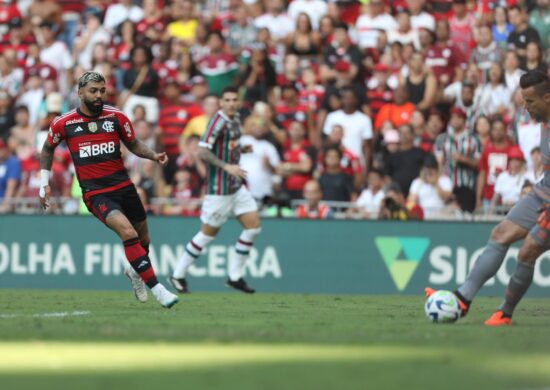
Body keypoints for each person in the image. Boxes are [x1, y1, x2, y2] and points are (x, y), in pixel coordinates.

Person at [38, 71, 178, 309]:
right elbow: (47, 149)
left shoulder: (117, 117)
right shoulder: (64, 123)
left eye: (102, 90)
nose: (99, 95)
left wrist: (153, 155)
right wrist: (44, 183)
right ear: (80, 92)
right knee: (128, 232)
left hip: (124, 186)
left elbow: (133, 144)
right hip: (96, 193)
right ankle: (159, 290)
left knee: (144, 240)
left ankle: (134, 272)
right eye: (93, 91)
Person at [426, 70, 550, 326]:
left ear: (548, 98)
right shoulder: (544, 118)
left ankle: (504, 313)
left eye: (530, 102)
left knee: (527, 253)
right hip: (543, 191)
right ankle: (462, 299)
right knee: (500, 234)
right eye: (523, 101)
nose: (525, 108)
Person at [170, 86, 260, 294]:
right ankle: (178, 274)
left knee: (253, 227)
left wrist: (241, 149)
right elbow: (202, 151)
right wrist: (227, 166)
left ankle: (235, 277)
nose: (231, 103)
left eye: (234, 99)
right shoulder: (216, 122)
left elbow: (228, 146)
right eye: (227, 100)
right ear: (221, 103)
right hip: (219, 190)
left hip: (236, 188)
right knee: (207, 235)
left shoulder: (235, 119)